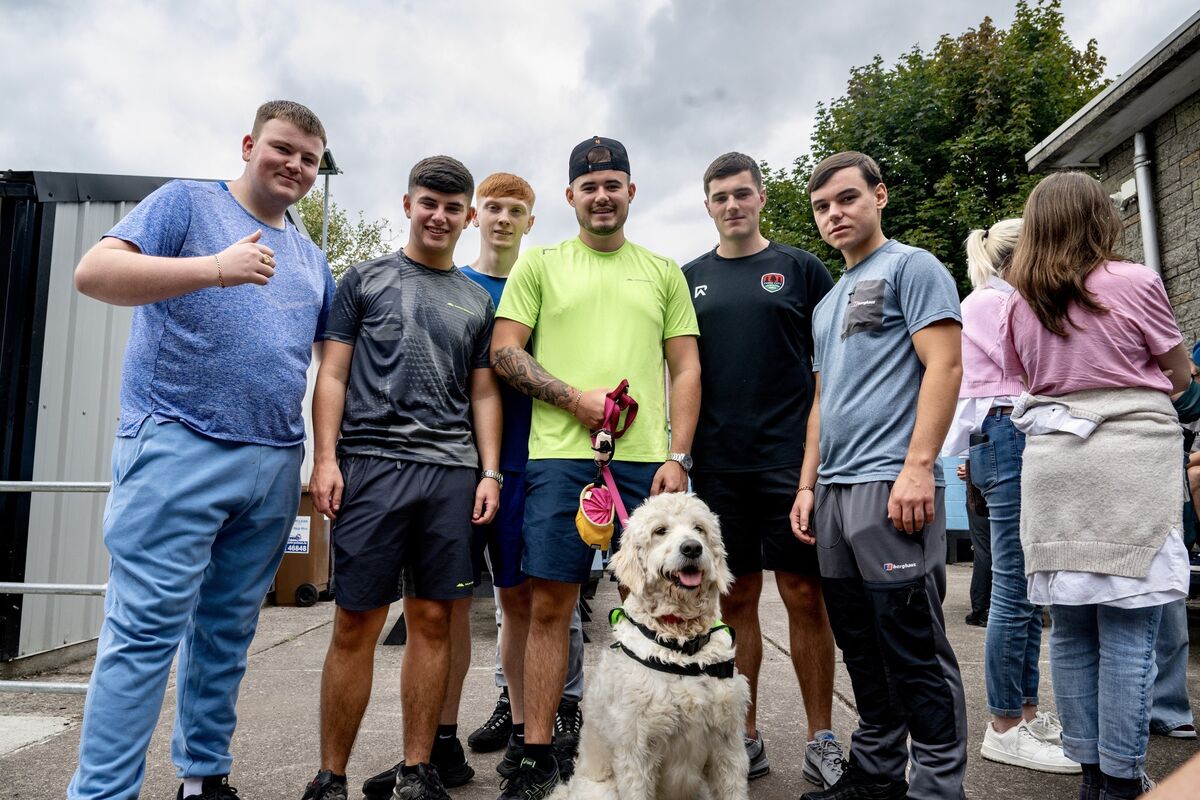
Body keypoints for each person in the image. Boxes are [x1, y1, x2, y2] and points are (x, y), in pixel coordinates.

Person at [67, 100, 335, 800]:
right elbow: (94, 273)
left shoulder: (310, 256)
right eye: (283, 148)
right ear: (249, 144)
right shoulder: (186, 205)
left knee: (225, 635)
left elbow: (330, 365)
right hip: (178, 443)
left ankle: (204, 778)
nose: (296, 166)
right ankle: (102, 793)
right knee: (144, 634)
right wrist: (215, 267)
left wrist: (324, 458)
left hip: (275, 461)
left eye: (309, 158)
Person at [489, 135, 701, 799]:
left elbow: (686, 365)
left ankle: (657, 746)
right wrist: (574, 399)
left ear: (631, 192)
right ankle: (535, 753)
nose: (601, 195)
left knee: (655, 605)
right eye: (589, 185)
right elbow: (504, 353)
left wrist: (678, 456)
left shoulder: (662, 271)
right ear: (570, 197)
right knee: (550, 604)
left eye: (613, 184)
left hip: (644, 465)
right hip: (558, 458)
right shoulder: (541, 266)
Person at [300, 156, 502, 800]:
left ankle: (419, 771)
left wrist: (489, 471)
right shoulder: (363, 281)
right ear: (408, 204)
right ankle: (331, 776)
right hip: (371, 469)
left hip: (450, 475)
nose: (438, 216)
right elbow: (331, 375)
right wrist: (325, 460)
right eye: (427, 204)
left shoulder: (476, 300)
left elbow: (485, 397)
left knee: (434, 621)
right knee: (356, 622)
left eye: (452, 207)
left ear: (468, 216)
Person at [1002, 171, 1193, 800]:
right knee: (1132, 629)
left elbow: (1021, 379)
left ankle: (1088, 773)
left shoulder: (1018, 299)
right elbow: (1180, 372)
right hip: (1128, 462)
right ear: (1098, 220)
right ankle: (1119, 777)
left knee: (1074, 628)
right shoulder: (1133, 282)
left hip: (1055, 468)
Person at [789, 151, 968, 800]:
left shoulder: (912, 269)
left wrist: (919, 466)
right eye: (823, 206)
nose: (834, 214)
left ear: (879, 196)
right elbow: (821, 401)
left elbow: (945, 367)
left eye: (847, 199)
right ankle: (877, 775)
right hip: (834, 495)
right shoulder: (827, 302)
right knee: (862, 649)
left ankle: (938, 787)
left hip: (892, 487)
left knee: (913, 647)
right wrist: (808, 487)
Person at [682, 152, 845, 787]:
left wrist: (816, 461)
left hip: (789, 460)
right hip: (720, 465)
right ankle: (742, 736)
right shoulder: (689, 278)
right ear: (707, 205)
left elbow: (830, 367)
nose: (732, 205)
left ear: (761, 198)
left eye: (742, 193)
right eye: (720, 196)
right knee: (738, 597)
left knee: (806, 595)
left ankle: (821, 736)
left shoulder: (802, 269)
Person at [945, 218, 1076, 773]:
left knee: (1024, 586)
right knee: (1013, 587)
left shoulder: (994, 301)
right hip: (1008, 434)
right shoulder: (996, 304)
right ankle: (1004, 724)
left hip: (1006, 435)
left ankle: (1024, 711)